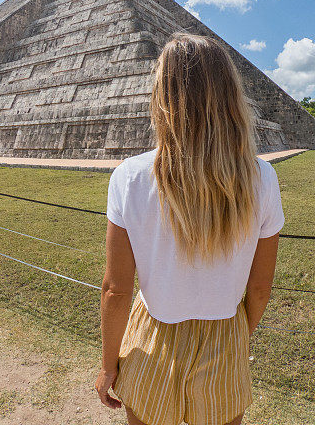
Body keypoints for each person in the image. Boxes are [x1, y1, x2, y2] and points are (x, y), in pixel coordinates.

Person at [95, 33, 285, 425]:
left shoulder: (131, 177)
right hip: (225, 331)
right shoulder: (262, 178)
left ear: (163, 97)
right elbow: (261, 288)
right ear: (230, 96)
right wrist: (234, 337)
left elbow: (116, 288)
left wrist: (108, 365)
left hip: (153, 335)